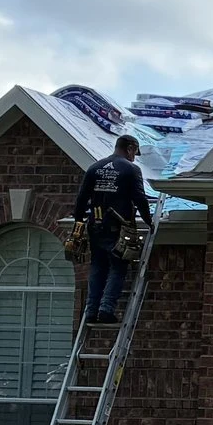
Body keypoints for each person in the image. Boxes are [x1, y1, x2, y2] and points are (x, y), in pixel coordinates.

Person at [71, 133, 153, 322]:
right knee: (118, 266)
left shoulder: (95, 168)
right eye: (134, 152)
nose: (134, 156)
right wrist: (149, 221)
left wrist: (79, 221)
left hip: (96, 225)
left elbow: (82, 199)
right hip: (118, 227)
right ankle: (106, 309)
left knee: (98, 266)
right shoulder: (131, 169)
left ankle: (91, 311)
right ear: (130, 148)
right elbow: (140, 198)